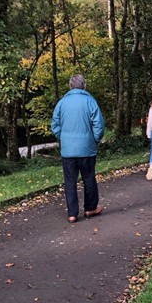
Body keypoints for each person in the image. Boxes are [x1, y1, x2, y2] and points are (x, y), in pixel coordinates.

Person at [51, 74, 105, 223]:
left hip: (68, 150)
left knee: (70, 181)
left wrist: (63, 138)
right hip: (87, 148)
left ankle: (72, 214)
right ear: (84, 86)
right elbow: (99, 125)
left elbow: (55, 125)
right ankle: (90, 208)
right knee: (89, 178)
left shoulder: (62, 103)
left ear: (70, 86)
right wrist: (95, 139)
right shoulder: (90, 101)